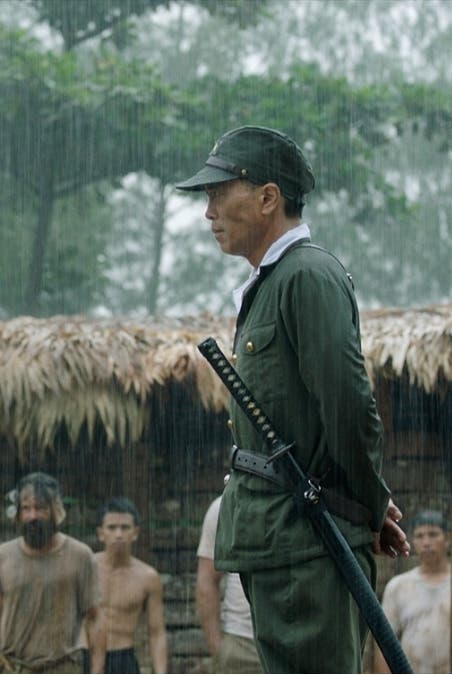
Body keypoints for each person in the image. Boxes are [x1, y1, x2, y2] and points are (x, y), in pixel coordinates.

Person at [175, 125, 409, 672]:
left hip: (307, 542)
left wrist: (368, 505)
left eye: (219, 193)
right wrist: (368, 504)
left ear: (267, 198)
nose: (208, 212)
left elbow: (349, 408)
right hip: (283, 542)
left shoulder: (307, 276)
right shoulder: (274, 283)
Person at [0, 472, 105, 673]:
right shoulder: (2, 556)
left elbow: (95, 618)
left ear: (55, 511)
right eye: (26, 508)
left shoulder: (80, 556)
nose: (33, 516)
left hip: (63, 668)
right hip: (13, 668)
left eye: (40, 508)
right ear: (18, 513)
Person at [92, 497, 167, 674]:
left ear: (135, 533)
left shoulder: (147, 577)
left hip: (123, 659)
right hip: (87, 656)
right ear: (101, 533)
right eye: (112, 528)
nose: (118, 534)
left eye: (125, 528)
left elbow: (157, 632)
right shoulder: (86, 569)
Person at [374, 510, 450, 674]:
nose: (426, 542)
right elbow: (384, 645)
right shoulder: (398, 586)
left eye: (433, 534)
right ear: (413, 541)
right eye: (420, 536)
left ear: (448, 539)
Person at [195, 496, 260, 674]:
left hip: (296, 637)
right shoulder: (225, 506)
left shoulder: (308, 497)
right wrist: (218, 649)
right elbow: (207, 582)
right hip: (241, 641)